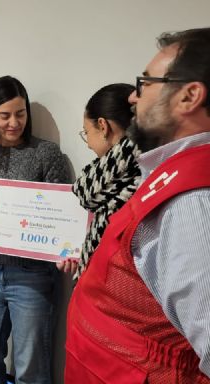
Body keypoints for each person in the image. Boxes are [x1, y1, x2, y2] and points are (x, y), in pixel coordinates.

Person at [65, 27, 210, 383]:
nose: (133, 96)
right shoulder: (180, 175)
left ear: (189, 96)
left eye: (145, 83)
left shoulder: (200, 204)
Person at [0, 76, 70, 384]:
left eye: (20, 113)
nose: (14, 122)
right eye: (5, 115)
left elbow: (60, 212)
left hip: (33, 274)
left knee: (31, 367)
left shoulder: (46, 153)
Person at [57, 83, 140, 281]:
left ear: (103, 127)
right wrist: (86, 254)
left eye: (87, 132)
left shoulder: (138, 179)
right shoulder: (121, 178)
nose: (87, 144)